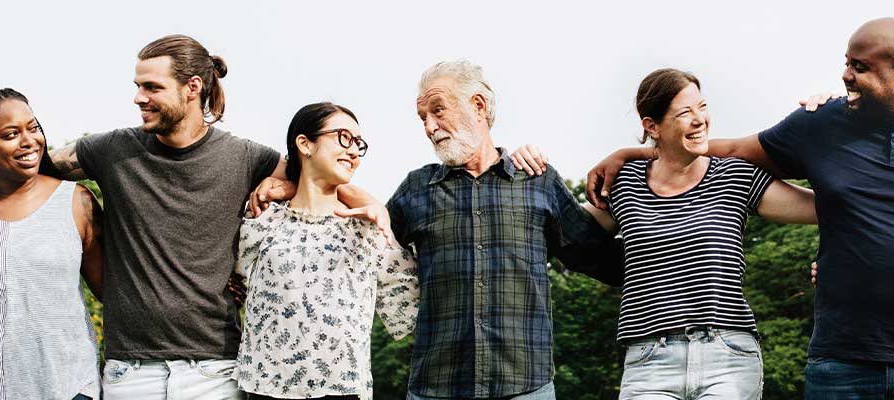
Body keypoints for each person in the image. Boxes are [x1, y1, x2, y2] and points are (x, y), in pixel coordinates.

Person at [580, 18, 894, 399]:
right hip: (841, 360)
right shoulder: (822, 124)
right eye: (846, 63)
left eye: (860, 67)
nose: (846, 76)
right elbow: (735, 148)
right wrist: (639, 152)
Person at [44, 35, 383, 399]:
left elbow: (316, 175)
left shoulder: (245, 157)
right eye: (138, 86)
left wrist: (367, 201)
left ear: (193, 88)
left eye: (152, 87)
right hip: (130, 372)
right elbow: (40, 166)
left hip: (215, 371)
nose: (139, 97)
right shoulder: (111, 150)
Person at [563, 69, 816, 399]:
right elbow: (564, 228)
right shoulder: (624, 183)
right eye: (685, 113)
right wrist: (529, 166)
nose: (700, 120)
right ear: (651, 126)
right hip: (649, 361)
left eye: (702, 106)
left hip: (727, 356)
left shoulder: (735, 176)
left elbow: (826, 209)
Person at [385, 59, 624, 400]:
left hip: (526, 386)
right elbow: (363, 250)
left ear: (478, 105)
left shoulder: (538, 182)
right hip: (436, 387)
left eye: (438, 110)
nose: (429, 126)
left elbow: (600, 258)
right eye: (423, 117)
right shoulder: (416, 189)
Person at [233, 102, 419, 400]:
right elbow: (229, 284)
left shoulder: (369, 229)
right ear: (305, 144)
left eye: (359, 144)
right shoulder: (262, 218)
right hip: (264, 390)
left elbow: (410, 309)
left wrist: (383, 225)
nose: (354, 151)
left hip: (342, 392)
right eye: (343, 137)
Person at [0, 88, 104, 400]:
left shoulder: (75, 202)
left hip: (70, 387)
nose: (28, 141)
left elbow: (115, 293)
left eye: (33, 128)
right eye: (10, 134)